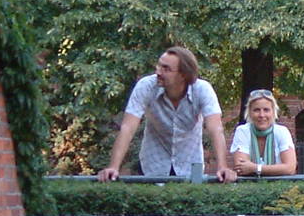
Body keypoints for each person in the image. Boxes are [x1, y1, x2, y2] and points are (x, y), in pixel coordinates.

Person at [96, 47, 237, 182]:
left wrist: (222, 167)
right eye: (159, 66)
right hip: (153, 162)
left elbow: (216, 129)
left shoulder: (202, 90)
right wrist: (114, 167)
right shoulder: (146, 86)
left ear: (183, 75)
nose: (158, 72)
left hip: (190, 163)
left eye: (166, 69)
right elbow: (127, 128)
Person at [229, 89, 298, 176]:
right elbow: (241, 168)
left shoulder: (282, 132)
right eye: (256, 110)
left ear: (273, 112)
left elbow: (290, 168)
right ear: (249, 112)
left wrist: (255, 168)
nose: (262, 115)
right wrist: (278, 169)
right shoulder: (242, 131)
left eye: (266, 110)